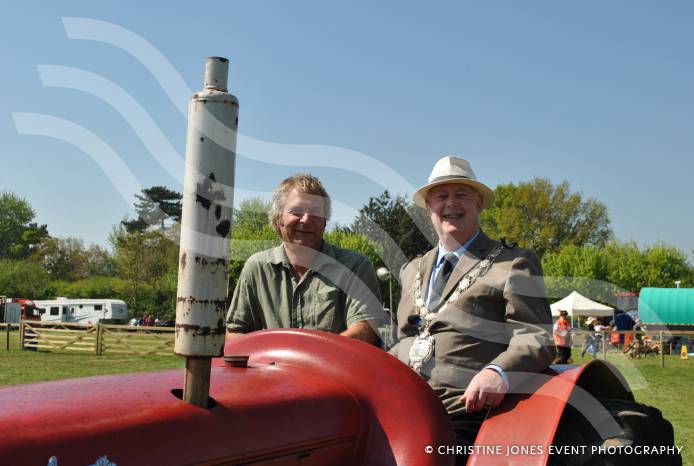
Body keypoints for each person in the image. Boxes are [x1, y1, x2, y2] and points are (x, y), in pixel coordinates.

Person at [388, 156, 555, 462]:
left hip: (464, 411)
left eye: (461, 194)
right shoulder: (411, 269)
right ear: (429, 208)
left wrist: (498, 372)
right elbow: (403, 340)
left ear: (479, 204)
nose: (451, 203)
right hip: (402, 408)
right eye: (441, 196)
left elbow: (535, 337)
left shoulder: (514, 262)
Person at [226, 173, 382, 344]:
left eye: (315, 212)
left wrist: (304, 355)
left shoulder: (355, 266)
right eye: (297, 211)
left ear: (325, 221)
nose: (306, 219)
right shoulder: (257, 267)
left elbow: (365, 329)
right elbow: (234, 332)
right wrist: (275, 355)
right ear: (278, 219)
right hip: (272, 369)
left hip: (334, 370)